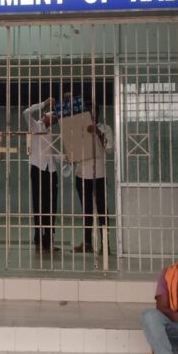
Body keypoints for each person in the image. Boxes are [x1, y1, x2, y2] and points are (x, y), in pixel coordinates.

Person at [23, 96, 61, 253]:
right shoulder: (35, 126)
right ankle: (38, 241)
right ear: (45, 115)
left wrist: (63, 158)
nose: (54, 121)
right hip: (38, 169)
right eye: (53, 118)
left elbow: (50, 154)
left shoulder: (50, 133)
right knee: (39, 206)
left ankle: (49, 241)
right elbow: (26, 112)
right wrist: (43, 103)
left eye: (55, 120)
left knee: (51, 207)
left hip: (51, 170)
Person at [72, 105, 112, 254]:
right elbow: (73, 150)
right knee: (86, 210)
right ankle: (87, 243)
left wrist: (98, 133)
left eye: (91, 113)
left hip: (98, 174)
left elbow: (109, 149)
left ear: (97, 114)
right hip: (81, 175)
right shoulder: (79, 129)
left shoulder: (105, 128)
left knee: (102, 210)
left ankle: (105, 244)